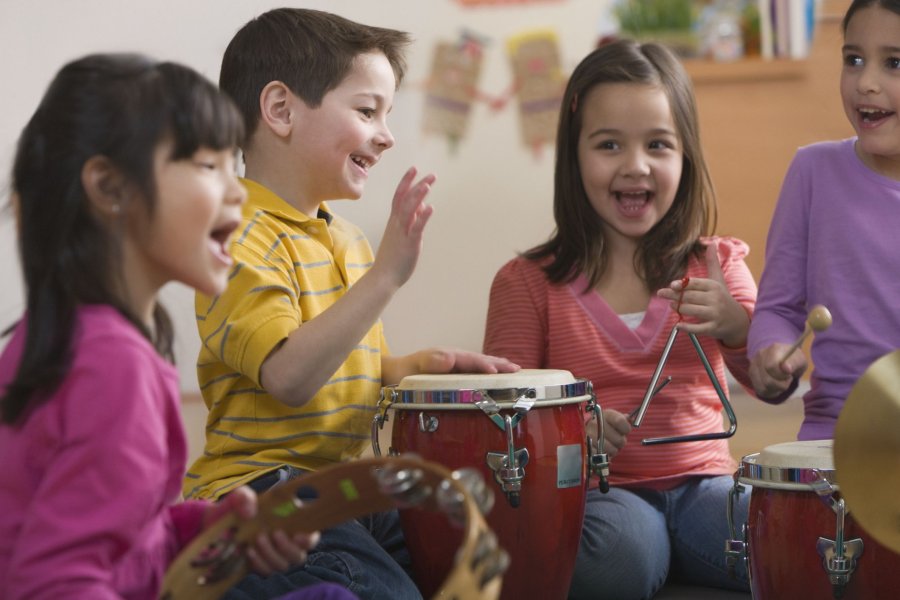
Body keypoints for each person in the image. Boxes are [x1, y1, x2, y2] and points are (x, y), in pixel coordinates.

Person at [184, 8, 518, 599]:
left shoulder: (345, 239)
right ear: (281, 111)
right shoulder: (237, 234)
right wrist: (386, 277)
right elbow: (290, 375)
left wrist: (415, 369)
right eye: (368, 111)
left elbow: (344, 376)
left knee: (469, 556)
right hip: (261, 491)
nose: (386, 134)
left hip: (346, 487)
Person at [0, 53, 359, 600]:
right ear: (111, 187)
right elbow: (56, 581)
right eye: (209, 166)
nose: (237, 190)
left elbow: (117, 540)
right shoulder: (109, 365)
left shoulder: (71, 338)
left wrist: (203, 529)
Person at [483, 39, 756, 599]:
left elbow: (772, 382)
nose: (636, 166)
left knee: (781, 536)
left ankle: (683, 553)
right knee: (618, 558)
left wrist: (736, 325)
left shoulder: (717, 264)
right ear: (574, 155)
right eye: (609, 144)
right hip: (603, 494)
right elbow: (504, 427)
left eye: (658, 144)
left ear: (686, 156)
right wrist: (570, 433)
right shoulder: (526, 285)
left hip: (707, 481)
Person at [748, 0, 900, 441]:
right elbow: (778, 307)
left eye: (894, 62)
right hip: (836, 437)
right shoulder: (812, 172)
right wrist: (773, 353)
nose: (865, 82)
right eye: (854, 59)